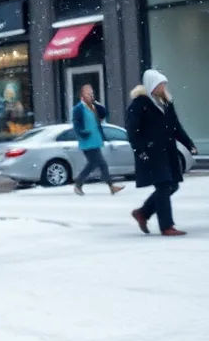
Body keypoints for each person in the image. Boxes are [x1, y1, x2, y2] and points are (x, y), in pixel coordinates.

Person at [128, 70, 198, 236]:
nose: (163, 86)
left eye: (164, 84)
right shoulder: (140, 104)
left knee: (172, 185)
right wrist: (140, 150)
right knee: (163, 185)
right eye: (160, 84)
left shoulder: (166, 102)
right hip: (152, 152)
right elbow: (132, 131)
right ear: (152, 84)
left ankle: (143, 212)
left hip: (168, 151)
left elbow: (175, 127)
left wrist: (189, 144)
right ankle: (166, 226)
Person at [72, 85, 124, 196]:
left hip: (95, 140)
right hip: (87, 141)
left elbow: (104, 113)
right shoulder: (78, 108)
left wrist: (95, 102)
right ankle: (110, 186)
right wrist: (83, 132)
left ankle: (78, 184)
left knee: (92, 164)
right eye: (87, 93)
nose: (90, 95)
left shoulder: (93, 106)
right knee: (102, 164)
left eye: (91, 93)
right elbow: (76, 125)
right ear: (82, 95)